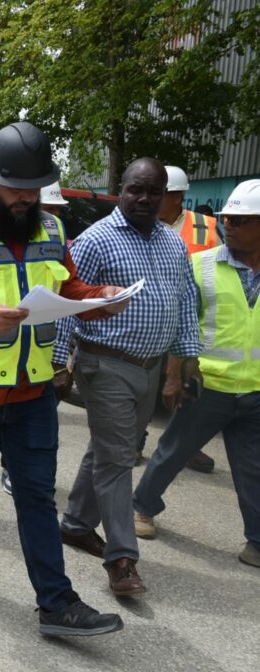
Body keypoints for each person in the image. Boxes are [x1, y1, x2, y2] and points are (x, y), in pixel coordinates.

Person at [0, 121, 128, 637]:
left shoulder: (52, 231)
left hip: (34, 390)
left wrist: (101, 298)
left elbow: (69, 288)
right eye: (15, 191)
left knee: (36, 495)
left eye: (33, 192)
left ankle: (56, 603)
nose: (25, 201)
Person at [53, 158, 202, 598]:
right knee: (119, 459)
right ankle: (121, 558)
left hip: (150, 368)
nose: (144, 198)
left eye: (153, 192)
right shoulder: (97, 240)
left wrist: (187, 359)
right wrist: (61, 363)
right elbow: (68, 299)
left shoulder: (172, 243)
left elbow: (184, 301)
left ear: (165, 196)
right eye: (136, 189)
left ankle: (77, 523)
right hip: (105, 364)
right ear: (122, 188)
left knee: (108, 448)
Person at [131, 180, 260, 568]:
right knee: (174, 450)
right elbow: (182, 325)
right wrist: (175, 376)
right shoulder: (202, 266)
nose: (229, 226)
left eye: (239, 220)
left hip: (254, 389)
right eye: (226, 220)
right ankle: (142, 506)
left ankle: (256, 540)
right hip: (207, 384)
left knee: (253, 468)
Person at [159, 164, 222, 475]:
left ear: (177, 197)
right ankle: (132, 441)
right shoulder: (141, 223)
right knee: (142, 385)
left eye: (162, 194)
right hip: (152, 318)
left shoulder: (206, 227)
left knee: (187, 386)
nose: (154, 199)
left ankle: (187, 445)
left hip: (189, 318)